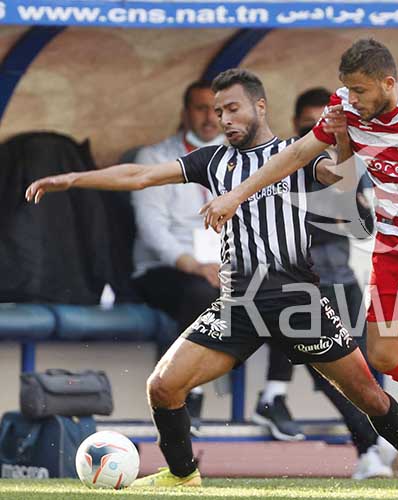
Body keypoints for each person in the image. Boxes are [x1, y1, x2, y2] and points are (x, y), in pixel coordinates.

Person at [25, 68, 398, 489]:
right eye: (218, 112)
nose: (224, 119)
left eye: (232, 109)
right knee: (163, 385)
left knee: (368, 395)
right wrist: (74, 178)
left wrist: (346, 149)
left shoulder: (294, 153)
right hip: (238, 304)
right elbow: (141, 176)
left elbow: (338, 180)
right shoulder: (212, 161)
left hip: (297, 301)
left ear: (260, 106)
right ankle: (183, 474)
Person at [200, 38, 398, 471]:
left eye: (360, 91)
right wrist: (236, 196)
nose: (351, 99)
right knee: (385, 356)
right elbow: (297, 154)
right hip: (395, 249)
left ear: (388, 83)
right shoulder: (347, 109)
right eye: (347, 90)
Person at [129, 80, 303, 440]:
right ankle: (186, 394)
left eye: (220, 110)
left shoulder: (239, 158)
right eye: (202, 109)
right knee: (201, 293)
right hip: (169, 269)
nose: (212, 118)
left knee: (285, 291)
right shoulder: (156, 156)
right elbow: (152, 230)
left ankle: (274, 397)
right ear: (184, 112)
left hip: (227, 268)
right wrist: (194, 264)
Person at [253, 86, 395, 479]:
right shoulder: (284, 162)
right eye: (311, 123)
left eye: (328, 124)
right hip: (296, 283)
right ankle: (371, 446)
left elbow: (364, 225)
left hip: (341, 279)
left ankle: (373, 441)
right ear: (300, 124)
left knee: (360, 368)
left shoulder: (343, 166)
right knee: (332, 365)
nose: (320, 132)